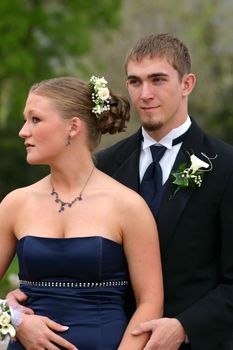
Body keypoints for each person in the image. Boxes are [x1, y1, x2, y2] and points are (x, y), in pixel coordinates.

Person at [7, 32, 233, 349]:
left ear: (187, 84)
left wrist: (185, 327)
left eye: (157, 80)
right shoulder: (104, 165)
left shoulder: (225, 166)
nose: (145, 93)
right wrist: (14, 311)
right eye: (135, 82)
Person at [0, 76, 164, 349]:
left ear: (73, 127)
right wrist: (14, 319)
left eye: (35, 119)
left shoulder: (128, 206)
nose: (23, 131)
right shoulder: (15, 204)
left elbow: (150, 303)